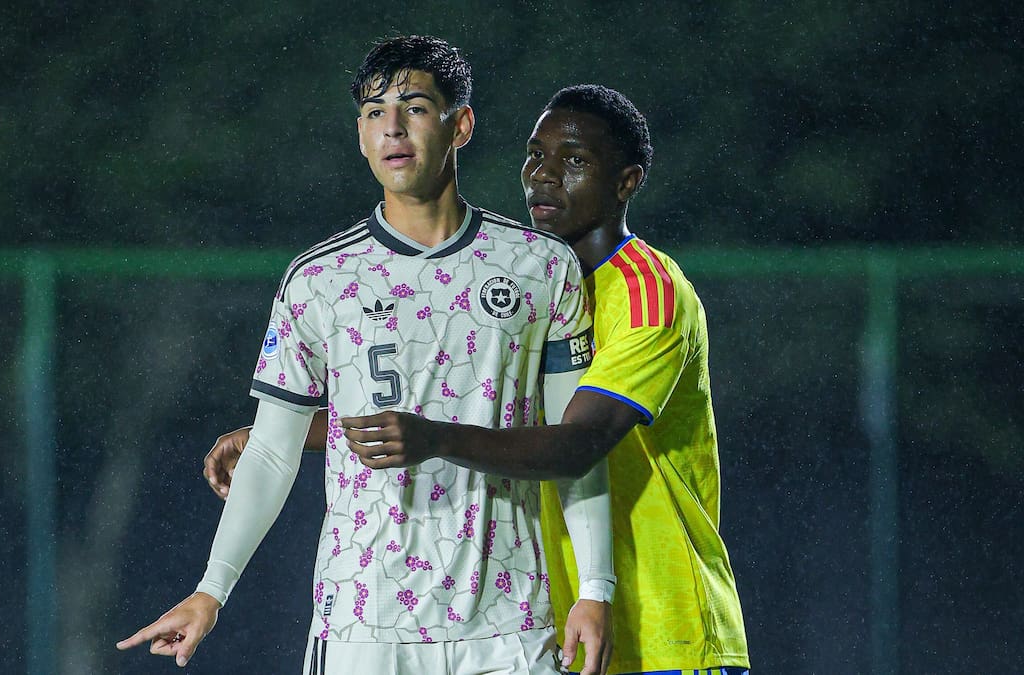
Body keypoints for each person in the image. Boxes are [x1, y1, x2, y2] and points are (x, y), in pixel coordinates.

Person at [206, 84, 751, 675]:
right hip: (564, 624)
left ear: (625, 182)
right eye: (535, 154)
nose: (543, 175)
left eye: (573, 161)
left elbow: (574, 444)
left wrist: (433, 439)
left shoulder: (649, 294)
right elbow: (493, 411)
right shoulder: (537, 283)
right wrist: (291, 435)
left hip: (663, 629)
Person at [119, 36, 617, 675]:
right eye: (375, 112)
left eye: (414, 108)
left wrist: (595, 589)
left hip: (509, 625)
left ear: (459, 124)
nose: (393, 128)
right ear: (360, 136)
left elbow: (573, 443)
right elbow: (272, 449)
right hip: (362, 625)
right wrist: (211, 591)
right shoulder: (319, 279)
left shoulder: (538, 266)